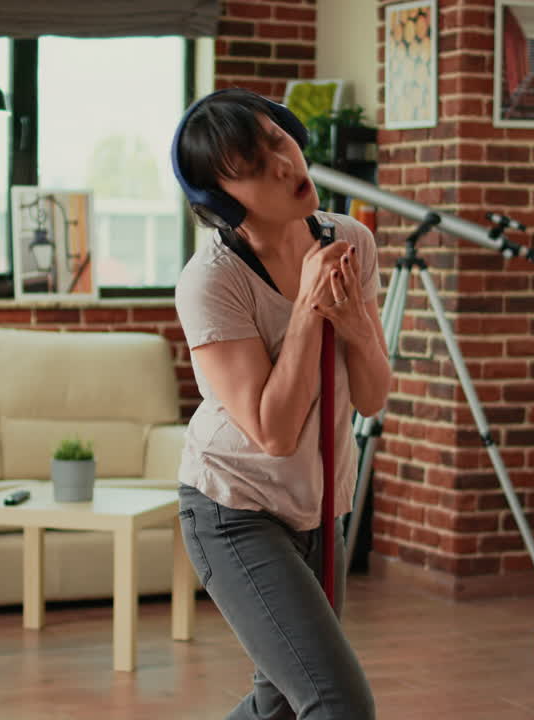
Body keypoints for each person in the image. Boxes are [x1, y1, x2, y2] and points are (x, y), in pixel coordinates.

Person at [170, 87, 391, 720]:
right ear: (220, 199)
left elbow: (372, 397)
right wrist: (305, 311)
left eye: (280, 141)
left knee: (284, 705)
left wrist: (353, 326)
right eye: (257, 164)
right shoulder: (211, 282)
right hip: (232, 509)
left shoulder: (350, 241)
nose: (287, 164)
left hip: (321, 509)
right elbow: (273, 432)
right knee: (337, 703)